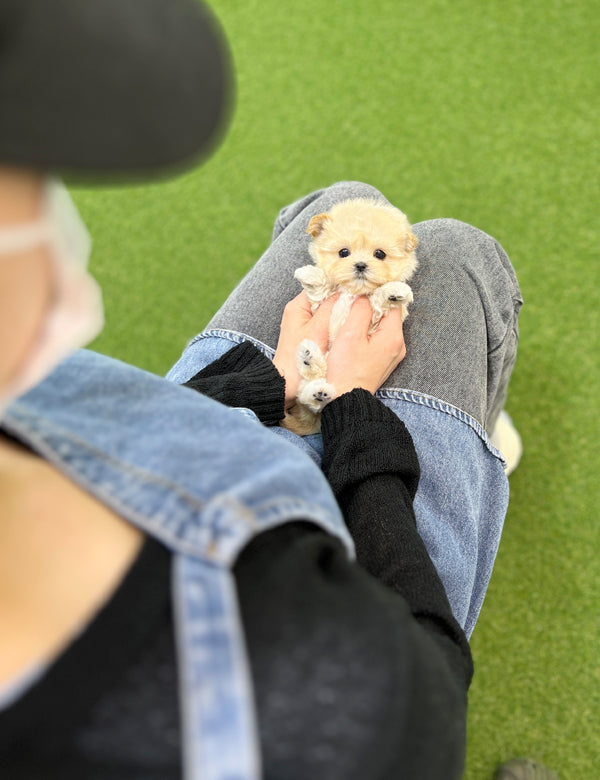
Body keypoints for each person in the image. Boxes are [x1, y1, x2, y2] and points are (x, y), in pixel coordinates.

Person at [0, 2, 559, 779]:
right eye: (33, 183)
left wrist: (277, 385)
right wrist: (356, 407)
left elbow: (164, 420)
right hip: (367, 516)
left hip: (249, 398)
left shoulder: (26, 396)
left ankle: (466, 438)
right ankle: (474, 444)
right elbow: (428, 673)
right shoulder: (314, 704)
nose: (50, 214)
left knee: (338, 196)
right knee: (460, 258)